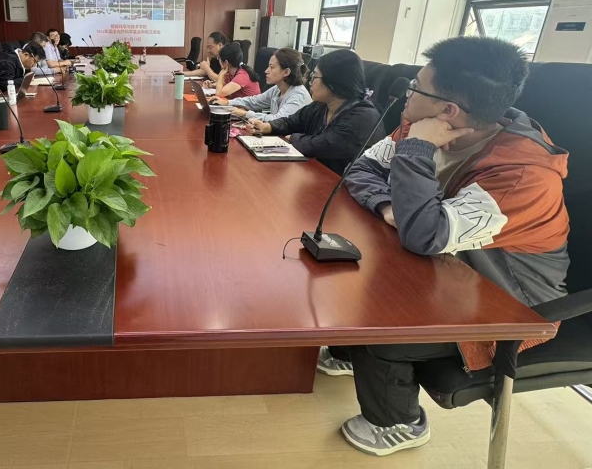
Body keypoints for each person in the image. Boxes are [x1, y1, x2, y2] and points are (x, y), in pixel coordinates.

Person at [318, 36, 569, 458]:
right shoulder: (419, 124)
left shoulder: (523, 176)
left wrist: (416, 154)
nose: (406, 93)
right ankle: (347, 352)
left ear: (448, 110)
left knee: (379, 326)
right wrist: (388, 207)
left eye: (415, 87)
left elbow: (424, 235)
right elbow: (361, 168)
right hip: (449, 265)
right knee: (348, 275)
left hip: (507, 300)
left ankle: (398, 422)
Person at [246, 49, 381, 175]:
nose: (310, 83)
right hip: (316, 175)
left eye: (314, 77)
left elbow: (323, 145)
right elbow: (291, 121)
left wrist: (293, 138)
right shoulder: (321, 105)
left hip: (346, 186)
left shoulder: (363, 116)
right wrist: (268, 126)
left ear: (333, 82)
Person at [210, 48, 311, 122]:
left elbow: (279, 120)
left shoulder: (298, 96)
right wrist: (227, 103)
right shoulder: (277, 89)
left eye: (272, 67)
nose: (266, 71)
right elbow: (254, 101)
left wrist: (246, 114)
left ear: (286, 72)